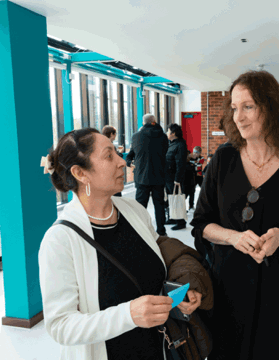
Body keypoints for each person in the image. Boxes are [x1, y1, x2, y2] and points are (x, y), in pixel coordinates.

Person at [190, 70, 279, 360]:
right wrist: (233, 236)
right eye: (234, 108)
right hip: (229, 289)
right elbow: (202, 223)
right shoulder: (223, 160)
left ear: (270, 106)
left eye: (248, 106)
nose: (239, 117)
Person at [38, 128, 207, 360]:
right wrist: (128, 315)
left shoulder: (134, 212)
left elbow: (160, 262)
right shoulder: (60, 241)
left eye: (118, 153)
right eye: (109, 156)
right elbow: (60, 325)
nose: (122, 162)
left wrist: (182, 292)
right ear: (80, 173)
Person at [126, 114, 169, 236]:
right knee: (159, 205)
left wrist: (130, 162)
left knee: (140, 206)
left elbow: (131, 155)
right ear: (154, 121)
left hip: (141, 176)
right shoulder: (163, 137)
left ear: (143, 123)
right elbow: (165, 152)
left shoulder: (136, 136)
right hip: (159, 176)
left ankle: (140, 230)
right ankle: (161, 230)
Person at [165, 123, 188, 230]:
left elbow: (180, 163)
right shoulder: (171, 143)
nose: (167, 133)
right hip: (169, 176)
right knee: (171, 198)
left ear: (173, 133)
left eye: (168, 131)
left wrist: (177, 179)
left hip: (175, 177)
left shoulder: (180, 145)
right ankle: (173, 217)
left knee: (177, 198)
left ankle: (181, 222)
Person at [102, 125, 124, 197]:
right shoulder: (110, 145)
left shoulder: (101, 145)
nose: (115, 136)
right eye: (115, 134)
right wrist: (120, 153)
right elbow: (115, 160)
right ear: (111, 134)